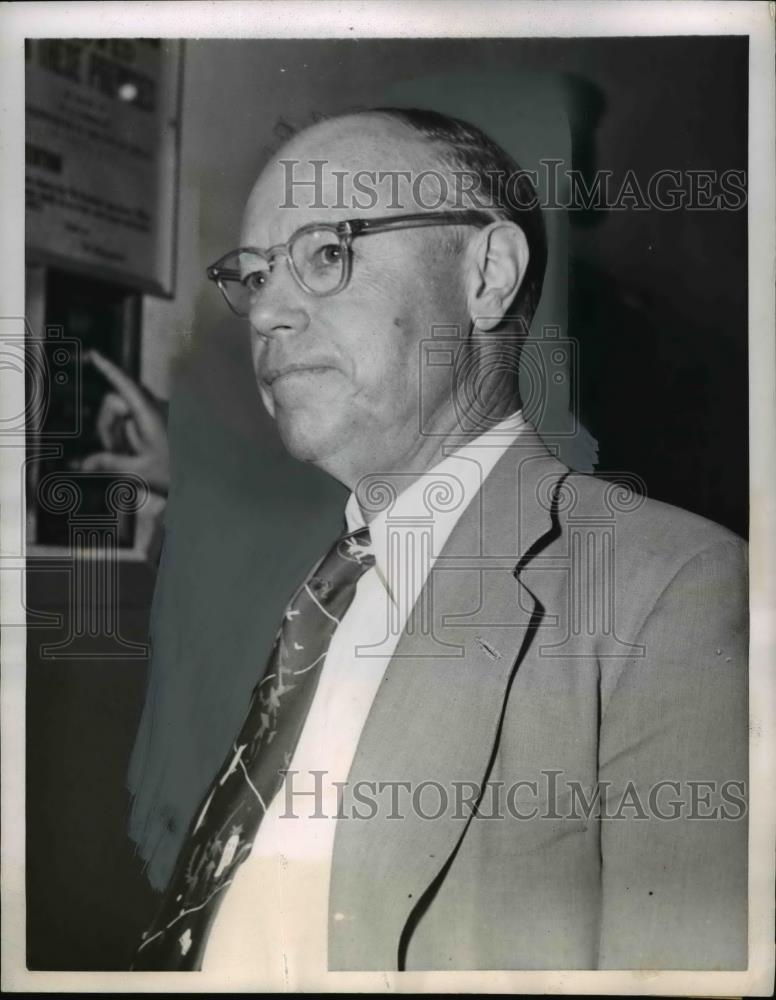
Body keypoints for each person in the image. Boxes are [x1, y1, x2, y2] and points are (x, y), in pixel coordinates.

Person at [127, 108, 748, 980]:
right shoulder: (314, 589)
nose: (266, 311)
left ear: (487, 276)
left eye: (326, 253)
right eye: (255, 275)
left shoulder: (671, 592)